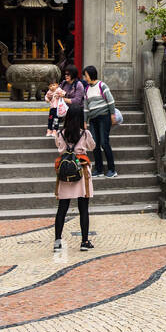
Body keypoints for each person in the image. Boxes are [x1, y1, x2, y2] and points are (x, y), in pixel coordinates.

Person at [52, 104, 94, 252]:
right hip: (81, 172)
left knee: (62, 209)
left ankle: (57, 242)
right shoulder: (85, 134)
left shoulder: (60, 134)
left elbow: (59, 148)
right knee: (84, 208)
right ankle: (84, 241)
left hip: (65, 173)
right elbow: (92, 146)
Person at [82, 65, 117, 178]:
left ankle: (112, 169)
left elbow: (110, 101)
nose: (85, 78)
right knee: (95, 144)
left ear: (91, 75)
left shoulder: (102, 85)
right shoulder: (87, 89)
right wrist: (85, 121)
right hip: (93, 119)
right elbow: (86, 107)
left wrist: (112, 114)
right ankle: (99, 169)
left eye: (86, 75)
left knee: (104, 142)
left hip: (104, 117)